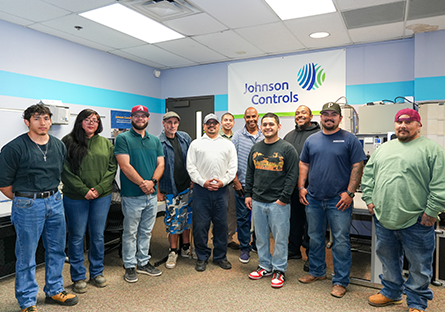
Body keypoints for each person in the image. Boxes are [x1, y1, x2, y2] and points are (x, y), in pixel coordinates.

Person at [362, 108, 445, 312]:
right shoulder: (384, 148)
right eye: (399, 122)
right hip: (384, 216)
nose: (403, 126)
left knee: (419, 264)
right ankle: (392, 293)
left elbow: (440, 183)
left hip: (417, 219)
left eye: (408, 122)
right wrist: (369, 199)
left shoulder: (432, 149)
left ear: (419, 125)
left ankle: (417, 302)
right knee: (388, 259)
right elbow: (369, 175)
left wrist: (432, 211)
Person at [0, 104, 78, 312]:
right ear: (27, 122)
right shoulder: (14, 148)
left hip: (54, 201)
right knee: (27, 254)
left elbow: (57, 174)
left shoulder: (58, 146)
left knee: (57, 249)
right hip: (28, 204)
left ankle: (54, 290)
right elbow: (4, 184)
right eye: (37, 118)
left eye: (46, 118)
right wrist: (26, 199)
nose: (42, 123)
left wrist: (47, 198)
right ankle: (27, 300)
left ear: (51, 121)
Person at [298, 102, 366, 298]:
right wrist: (301, 187)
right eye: (325, 114)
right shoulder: (312, 140)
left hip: (339, 200)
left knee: (341, 241)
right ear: (321, 117)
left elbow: (357, 166)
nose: (329, 117)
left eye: (333, 114)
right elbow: (304, 163)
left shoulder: (349, 139)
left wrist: (350, 192)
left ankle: (341, 281)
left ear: (340, 118)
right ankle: (317, 272)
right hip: (313, 198)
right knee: (315, 237)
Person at [61, 109, 117, 293]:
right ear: (80, 122)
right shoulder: (68, 142)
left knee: (98, 235)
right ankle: (78, 277)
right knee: (76, 237)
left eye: (95, 120)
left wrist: (99, 189)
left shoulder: (105, 143)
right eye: (87, 120)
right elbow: (65, 171)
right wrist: (84, 190)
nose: (92, 123)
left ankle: (97, 272)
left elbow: (112, 167)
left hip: (102, 196)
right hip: (76, 197)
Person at [245, 113, 299, 288]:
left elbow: (292, 175)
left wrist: (283, 198)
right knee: (260, 237)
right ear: (261, 127)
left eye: (271, 124)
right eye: (265, 124)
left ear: (278, 126)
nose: (268, 127)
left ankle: (279, 269)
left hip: (278, 203)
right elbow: (250, 173)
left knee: (280, 238)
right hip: (258, 201)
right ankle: (264, 266)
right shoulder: (256, 148)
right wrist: (248, 194)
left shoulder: (287, 148)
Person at [115, 105, 165, 283]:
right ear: (131, 118)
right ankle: (129, 265)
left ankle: (143, 262)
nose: (140, 118)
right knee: (130, 232)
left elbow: (161, 164)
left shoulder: (155, 140)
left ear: (148, 119)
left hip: (150, 195)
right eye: (137, 115)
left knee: (146, 231)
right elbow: (125, 165)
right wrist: (142, 183)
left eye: (143, 116)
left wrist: (152, 183)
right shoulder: (123, 138)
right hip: (132, 195)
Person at [186, 113, 237, 272]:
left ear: (219, 125)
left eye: (214, 123)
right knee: (201, 225)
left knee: (221, 225)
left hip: (222, 191)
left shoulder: (228, 145)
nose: (212, 125)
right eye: (208, 123)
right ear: (204, 126)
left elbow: (233, 167)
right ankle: (202, 257)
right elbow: (191, 167)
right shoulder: (196, 144)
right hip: (202, 191)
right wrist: (203, 182)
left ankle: (220, 256)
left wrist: (223, 181)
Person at [283, 105, 320, 271]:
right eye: (297, 113)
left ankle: (311, 254)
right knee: (294, 219)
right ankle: (294, 249)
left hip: (312, 187)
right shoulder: (288, 136)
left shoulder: (318, 135)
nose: (300, 115)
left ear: (311, 116)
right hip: (292, 186)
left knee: (311, 223)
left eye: (303, 112)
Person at [157, 111, 193, 269]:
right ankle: (173, 251)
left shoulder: (185, 137)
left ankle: (185, 248)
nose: (172, 125)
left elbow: (192, 160)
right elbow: (156, 167)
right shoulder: (158, 142)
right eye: (169, 122)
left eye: (175, 123)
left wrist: (192, 179)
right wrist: (158, 190)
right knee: (173, 221)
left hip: (187, 187)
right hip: (170, 188)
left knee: (187, 220)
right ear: (163, 123)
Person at [231, 107, 264, 264]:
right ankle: (244, 247)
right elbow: (231, 161)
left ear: (258, 117)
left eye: (253, 116)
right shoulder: (237, 136)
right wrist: (235, 181)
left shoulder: (265, 134)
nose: (251, 119)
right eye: (248, 116)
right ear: (244, 118)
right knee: (243, 218)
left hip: (262, 187)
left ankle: (258, 245)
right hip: (242, 185)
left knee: (260, 219)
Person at [219, 112, 239, 250]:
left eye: (230, 120)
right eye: (225, 120)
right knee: (219, 211)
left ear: (233, 123)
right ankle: (218, 238)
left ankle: (228, 238)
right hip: (218, 180)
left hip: (232, 179)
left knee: (232, 210)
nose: (227, 122)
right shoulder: (215, 137)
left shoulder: (236, 137)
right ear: (221, 122)